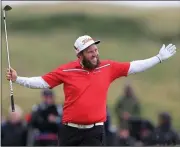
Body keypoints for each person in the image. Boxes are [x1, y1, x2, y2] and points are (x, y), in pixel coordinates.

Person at [6, 35, 177, 146]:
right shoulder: (66, 70)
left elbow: (135, 67)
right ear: (79, 55)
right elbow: (42, 82)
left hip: (94, 131)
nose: (95, 54)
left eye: (95, 50)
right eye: (90, 52)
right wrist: (18, 79)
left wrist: (158, 58)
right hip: (69, 131)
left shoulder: (108, 67)